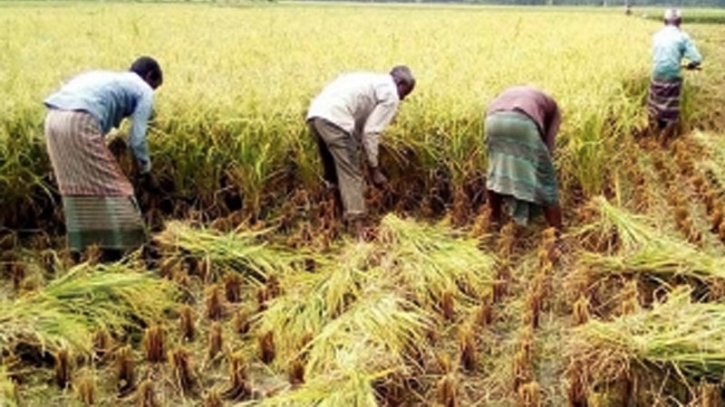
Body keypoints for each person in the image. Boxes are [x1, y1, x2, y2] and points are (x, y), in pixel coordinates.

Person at [43, 56, 163, 260]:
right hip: (80, 121)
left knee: (76, 184)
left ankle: (86, 248)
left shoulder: (107, 77)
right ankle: (134, 250)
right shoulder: (144, 90)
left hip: (53, 121)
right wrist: (146, 171)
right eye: (155, 86)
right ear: (150, 77)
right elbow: (137, 139)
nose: (153, 91)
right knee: (116, 187)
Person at [306, 66, 415, 239]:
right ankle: (360, 236)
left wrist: (357, 147)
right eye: (405, 94)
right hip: (336, 120)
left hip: (316, 116)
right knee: (352, 175)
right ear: (400, 83)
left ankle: (335, 221)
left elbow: (358, 124)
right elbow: (371, 132)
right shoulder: (391, 93)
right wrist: (374, 169)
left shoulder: (366, 79)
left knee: (334, 174)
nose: (401, 99)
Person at [484, 86, 562, 230]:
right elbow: (548, 145)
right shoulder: (555, 109)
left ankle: (493, 222)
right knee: (546, 180)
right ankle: (556, 237)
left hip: (492, 120)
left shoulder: (509, 94)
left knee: (497, 171)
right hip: (522, 121)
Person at [648, 8, 702, 142]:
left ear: (664, 21)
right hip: (672, 76)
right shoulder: (682, 36)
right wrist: (691, 65)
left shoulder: (657, 36)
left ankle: (653, 137)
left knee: (655, 106)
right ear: (680, 22)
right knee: (671, 113)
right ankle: (662, 144)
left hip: (656, 74)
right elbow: (697, 59)